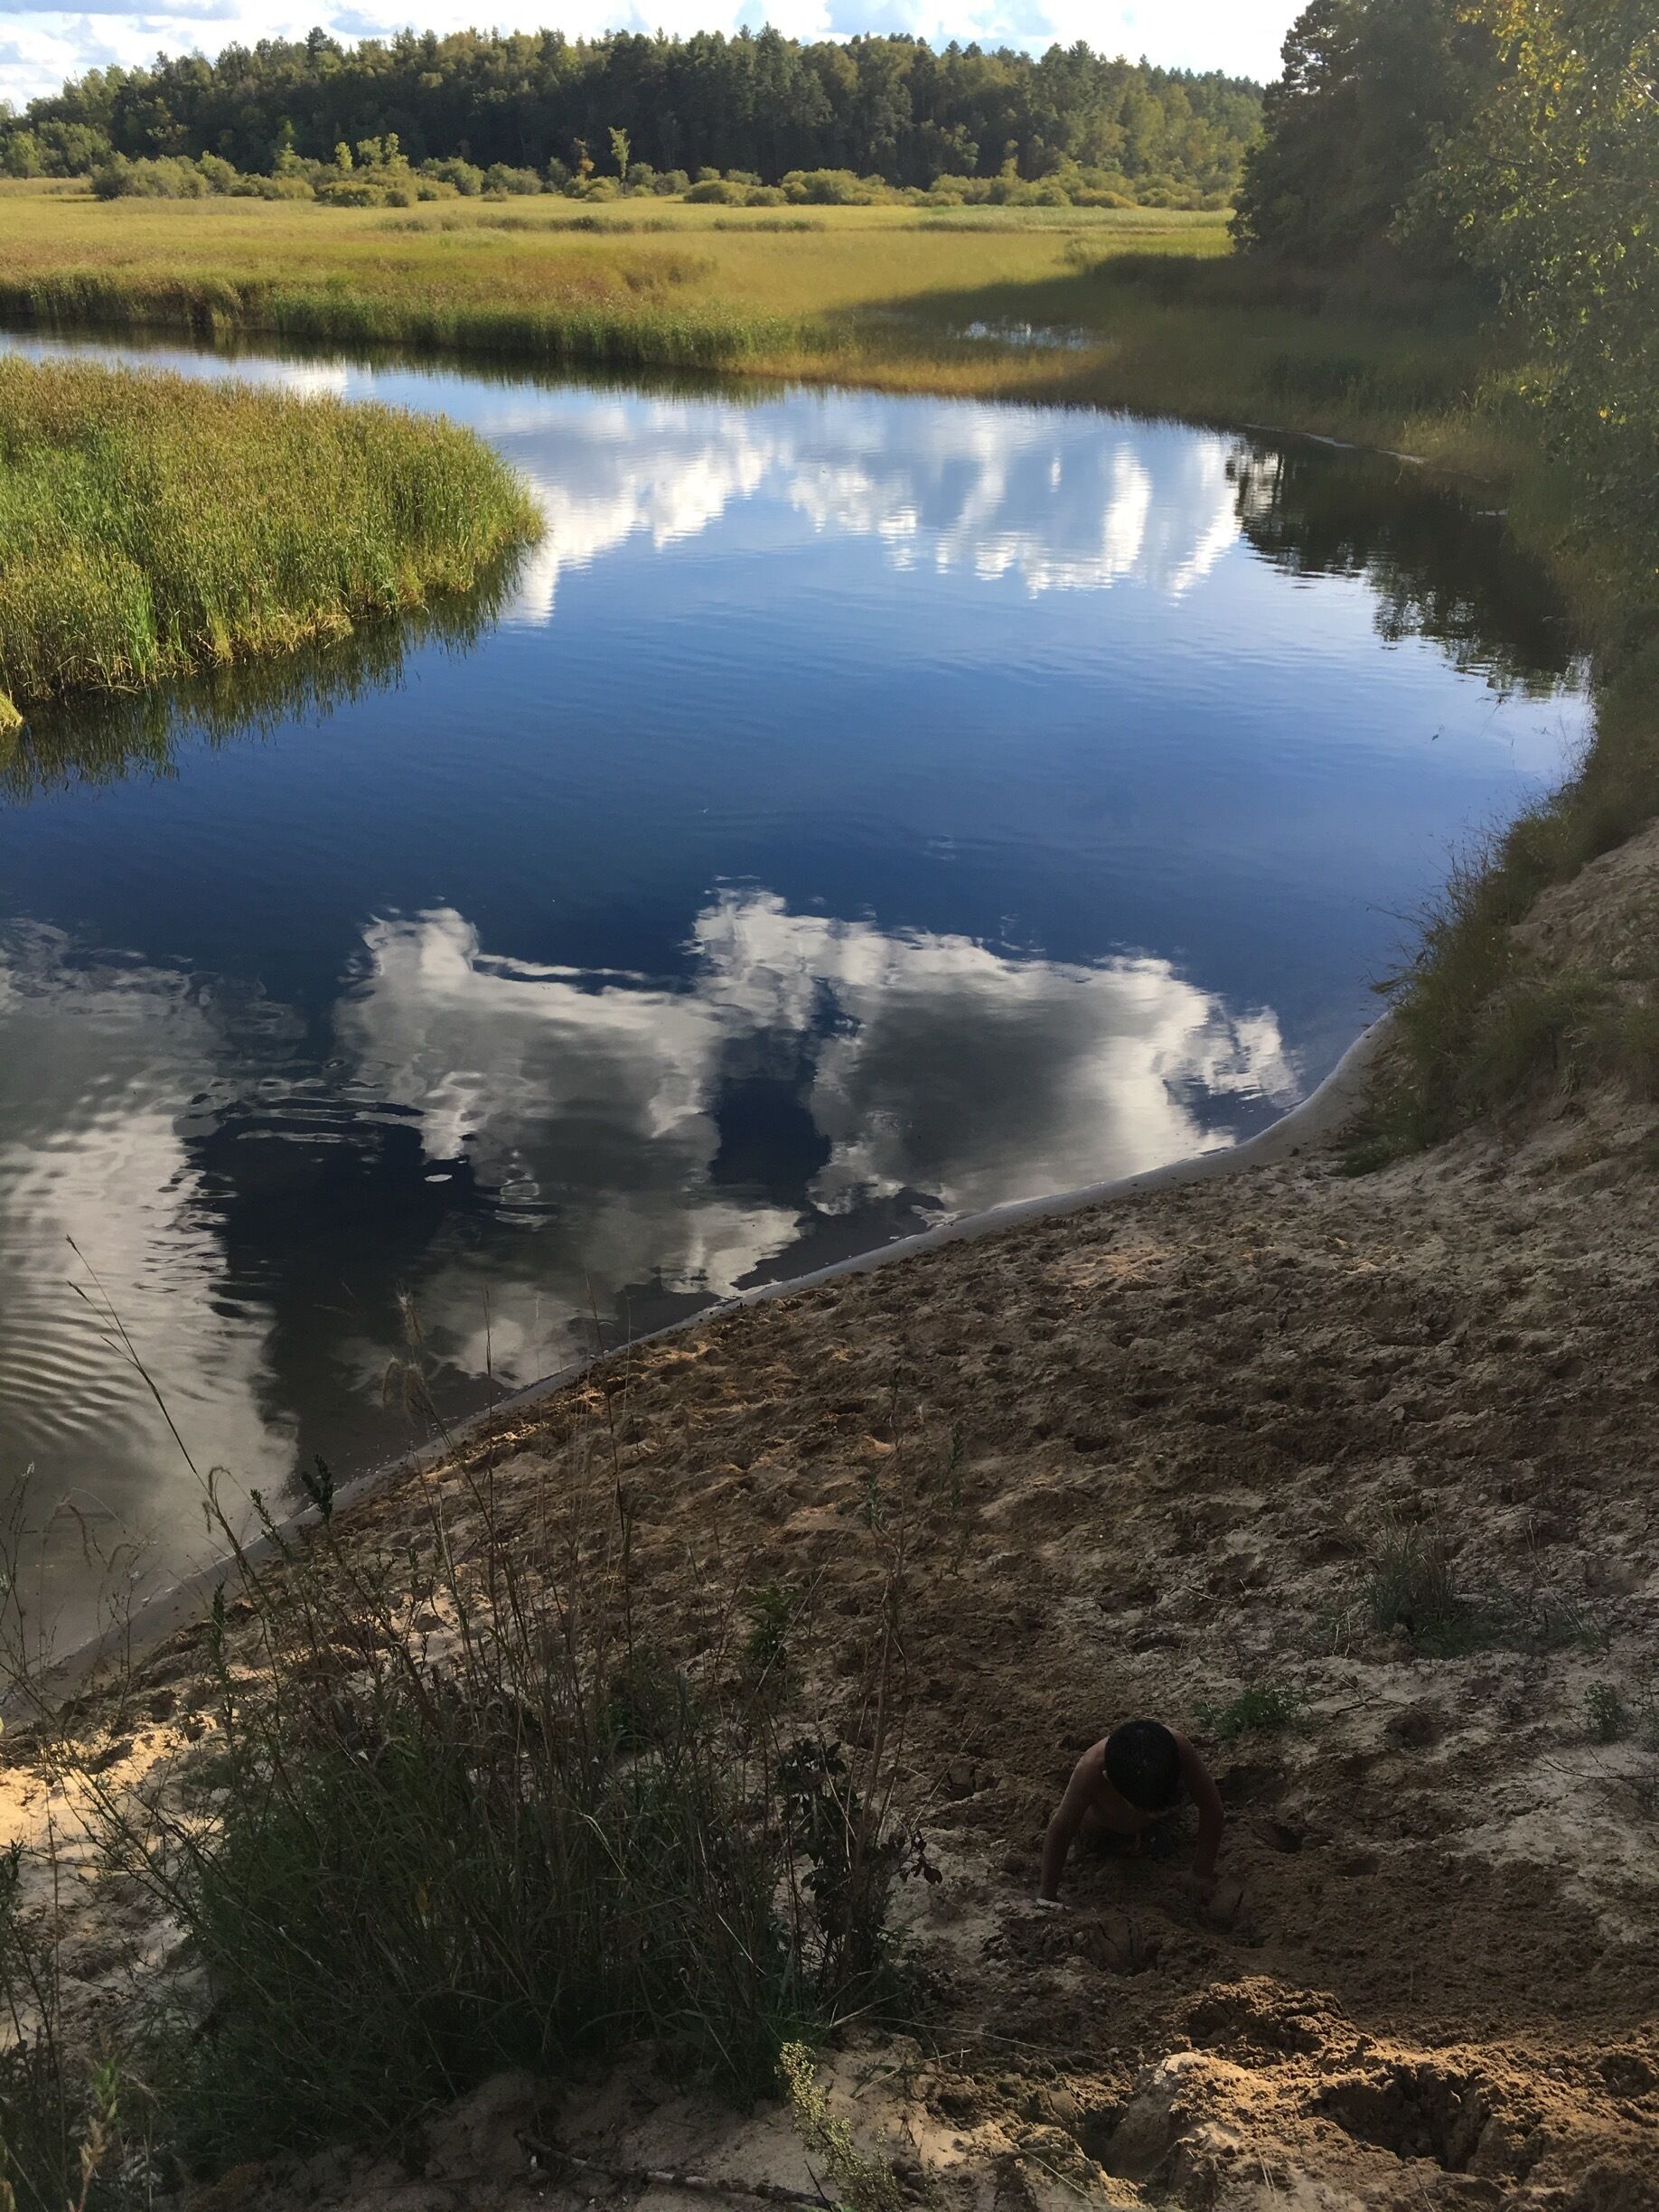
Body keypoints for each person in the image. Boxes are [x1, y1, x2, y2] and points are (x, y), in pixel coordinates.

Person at [1038, 1718, 1224, 1905]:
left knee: (1172, 1805)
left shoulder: (1179, 1748)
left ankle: (1152, 1828)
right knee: (1093, 1827)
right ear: (1108, 1778)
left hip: (1157, 1801)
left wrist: (1201, 1872)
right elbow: (1062, 1827)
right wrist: (1047, 1896)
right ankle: (1118, 1837)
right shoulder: (1091, 1767)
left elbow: (1212, 1806)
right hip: (1105, 1823)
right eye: (1146, 1810)